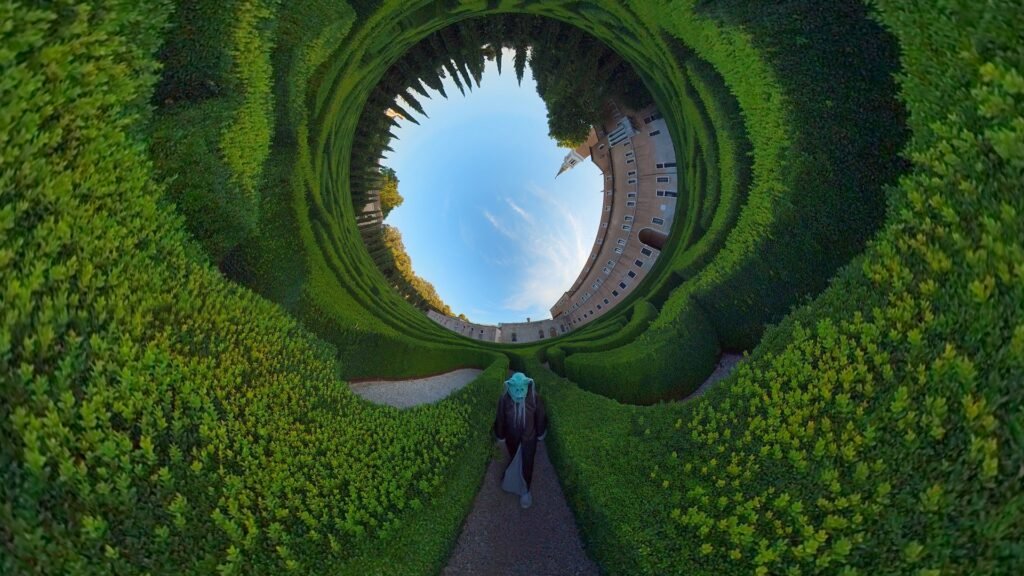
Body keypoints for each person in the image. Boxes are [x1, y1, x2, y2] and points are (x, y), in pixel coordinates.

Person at [494, 372, 547, 508]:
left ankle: (526, 490)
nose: (518, 393)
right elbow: (500, 418)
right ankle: (513, 479)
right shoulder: (504, 399)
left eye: (521, 388)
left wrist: (540, 433)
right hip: (512, 438)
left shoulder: (534, 397)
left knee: (527, 464)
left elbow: (540, 417)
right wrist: (500, 435)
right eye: (515, 389)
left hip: (529, 439)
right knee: (514, 459)